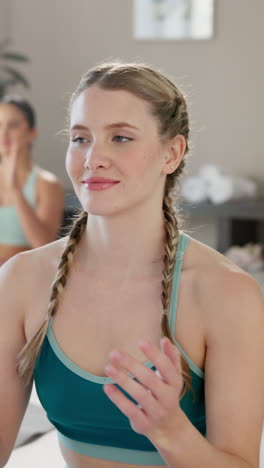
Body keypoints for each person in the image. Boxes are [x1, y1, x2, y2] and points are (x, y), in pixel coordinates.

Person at [0, 62, 263, 468]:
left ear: (171, 154)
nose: (93, 158)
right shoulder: (21, 280)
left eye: (120, 137)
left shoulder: (227, 293)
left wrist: (170, 431)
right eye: (80, 138)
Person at [0, 95, 64, 266]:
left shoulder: (47, 184)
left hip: (20, 275)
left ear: (31, 133)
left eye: (13, 125)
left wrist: (15, 190)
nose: (4, 133)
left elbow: (43, 245)